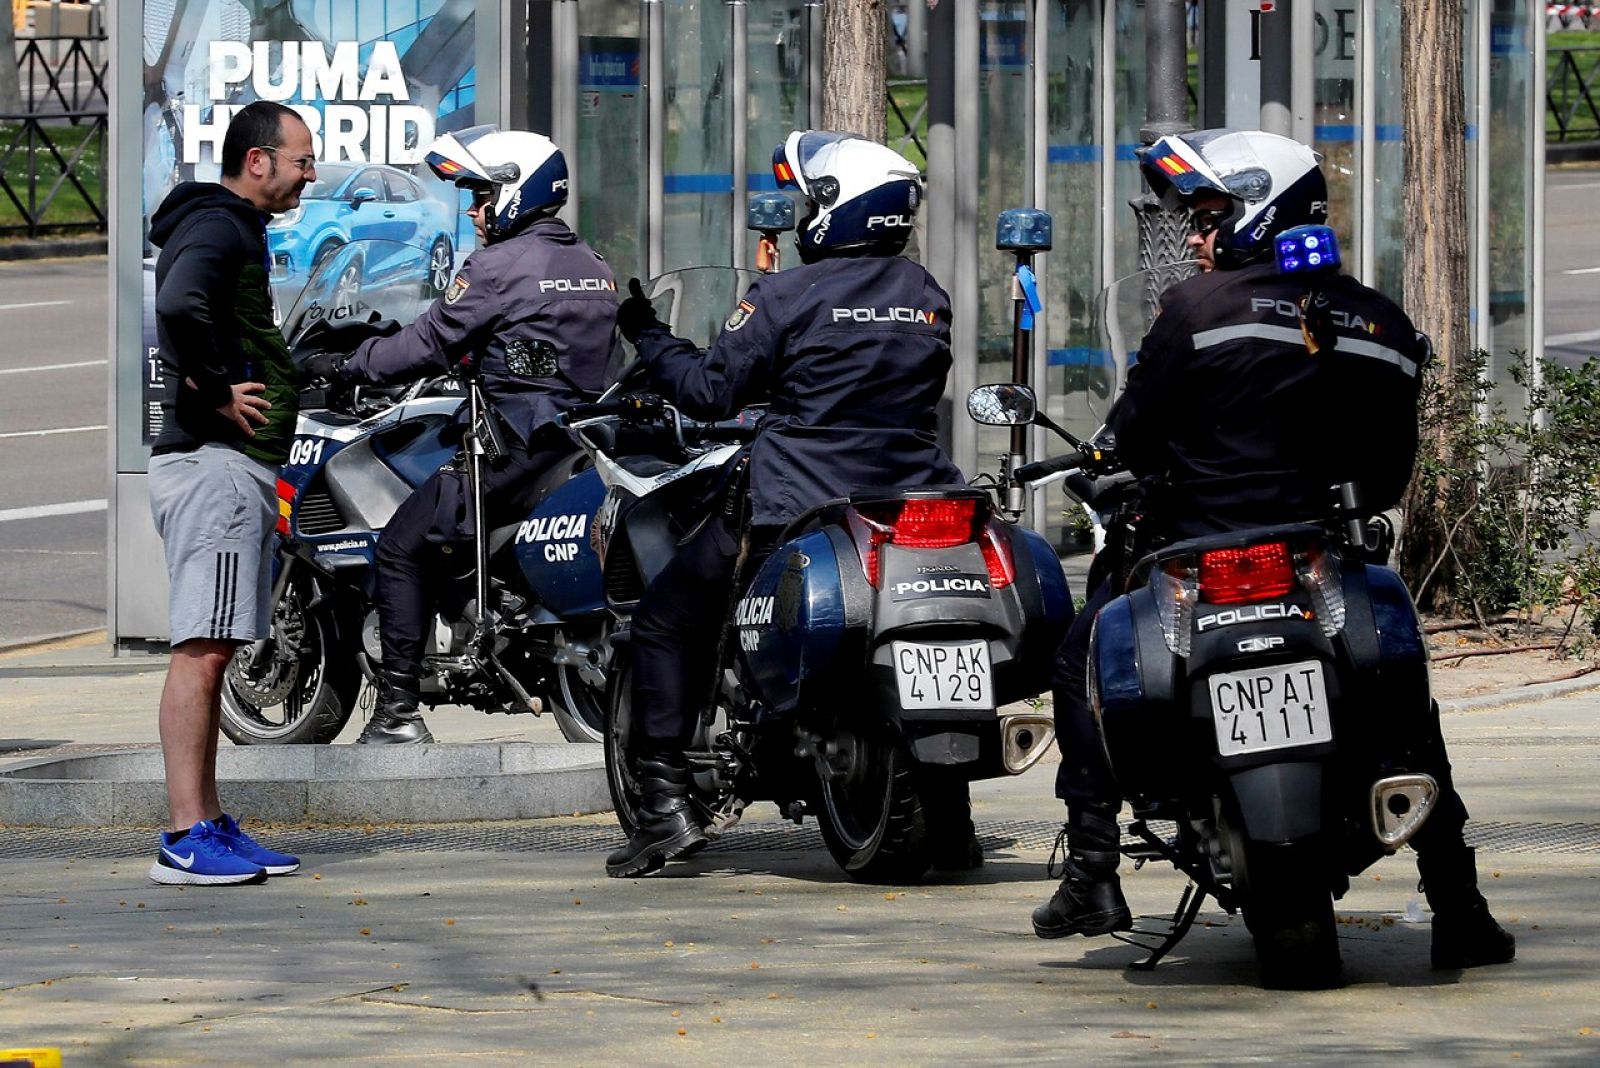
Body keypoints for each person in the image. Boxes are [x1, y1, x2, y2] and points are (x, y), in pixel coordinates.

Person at [1031, 129, 1516, 972]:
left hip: (1193, 550)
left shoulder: (1195, 309)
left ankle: (1093, 870)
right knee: (1406, 708)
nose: (1195, 236)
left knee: (1079, 662)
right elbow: (1389, 475)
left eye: (1208, 216)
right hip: (1318, 557)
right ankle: (1459, 905)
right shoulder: (1382, 322)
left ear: (1261, 209)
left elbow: (1133, 435)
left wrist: (1123, 461)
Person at [605, 131, 967, 879]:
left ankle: (665, 802)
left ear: (837, 208)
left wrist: (650, 334)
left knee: (665, 619)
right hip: (910, 495)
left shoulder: (786, 295)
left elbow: (710, 390)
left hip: (797, 499)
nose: (803, 217)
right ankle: (952, 816)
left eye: (811, 202)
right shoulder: (926, 293)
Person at [302, 126, 619, 744]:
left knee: (400, 548)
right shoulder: (592, 264)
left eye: (481, 196)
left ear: (515, 192)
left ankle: (396, 713)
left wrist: (345, 366)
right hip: (575, 444)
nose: (473, 211)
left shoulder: (497, 267)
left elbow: (426, 343)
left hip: (511, 448)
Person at [146, 100, 311, 885]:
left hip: (229, 468)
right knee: (202, 650)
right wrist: (216, 389)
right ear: (257, 160)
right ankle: (185, 837)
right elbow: (178, 303)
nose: (309, 174)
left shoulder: (229, 226)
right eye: (300, 160)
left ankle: (207, 821)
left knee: (215, 649)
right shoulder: (219, 226)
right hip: (213, 467)